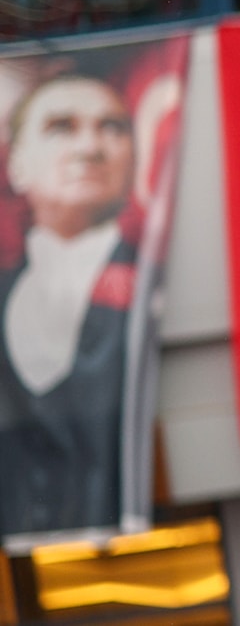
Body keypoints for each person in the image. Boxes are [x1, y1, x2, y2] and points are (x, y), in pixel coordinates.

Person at [0, 73, 136, 537]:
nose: (90, 148)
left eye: (112, 128)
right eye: (62, 127)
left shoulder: (149, 285)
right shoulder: (6, 292)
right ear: (16, 165)